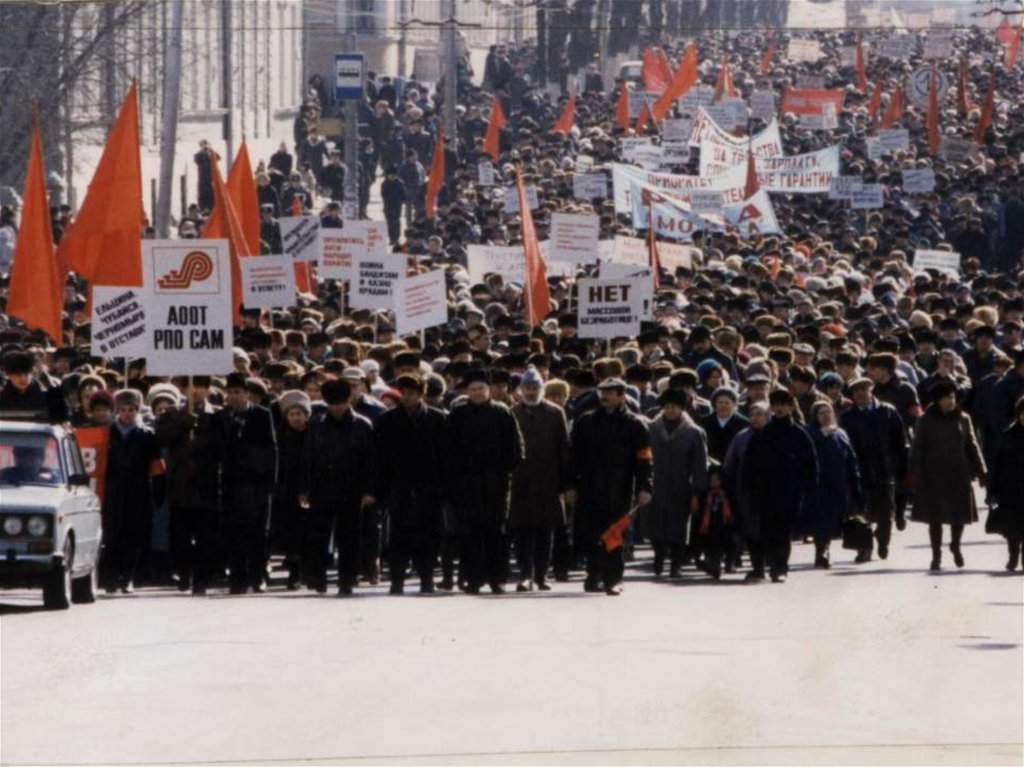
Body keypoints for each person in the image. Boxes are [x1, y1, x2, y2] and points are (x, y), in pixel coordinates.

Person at [570, 378, 653, 595]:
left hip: (620, 488)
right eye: (602, 392)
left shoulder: (635, 424)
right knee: (591, 533)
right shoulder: (585, 422)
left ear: (621, 395)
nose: (604, 396)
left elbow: (644, 458)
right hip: (589, 487)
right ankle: (593, 574)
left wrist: (645, 487)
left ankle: (614, 578)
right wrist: (570, 486)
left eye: (610, 392)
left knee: (615, 533)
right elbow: (573, 458)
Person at [445, 369, 524, 594]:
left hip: (496, 484)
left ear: (488, 389)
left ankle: (497, 578)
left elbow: (516, 449)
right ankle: (472, 578)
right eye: (472, 389)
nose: (477, 393)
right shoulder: (458, 414)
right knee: (469, 533)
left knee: (496, 532)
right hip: (466, 484)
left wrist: (505, 473)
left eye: (481, 388)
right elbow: (448, 450)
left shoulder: (502, 413)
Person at [300, 378, 376, 595]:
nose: (336, 408)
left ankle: (346, 580)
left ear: (348, 400)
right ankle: (318, 578)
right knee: (318, 537)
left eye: (340, 403)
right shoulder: (316, 424)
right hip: (321, 489)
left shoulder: (362, 425)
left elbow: (370, 462)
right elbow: (307, 459)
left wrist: (369, 491)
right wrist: (304, 489)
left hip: (351, 490)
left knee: (349, 538)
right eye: (332, 403)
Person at [375, 374, 448, 594]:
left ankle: (427, 579)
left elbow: (446, 457)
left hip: (429, 486)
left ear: (421, 394)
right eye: (404, 393)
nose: (408, 398)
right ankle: (397, 580)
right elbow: (380, 457)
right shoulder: (388, 420)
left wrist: (442, 487)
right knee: (398, 535)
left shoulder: (437, 419)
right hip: (399, 486)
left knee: (429, 535)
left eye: (413, 393)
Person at [909, 380, 987, 572]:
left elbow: (972, 446)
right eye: (946, 398)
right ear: (937, 400)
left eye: (952, 397)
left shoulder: (963, 418)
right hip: (932, 474)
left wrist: (982, 471)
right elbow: (917, 448)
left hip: (959, 473)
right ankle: (936, 555)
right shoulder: (925, 419)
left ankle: (955, 545)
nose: (951, 401)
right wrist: (914, 472)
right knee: (935, 518)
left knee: (959, 516)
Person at [153, 378, 220, 595]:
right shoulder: (171, 415)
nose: (195, 391)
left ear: (207, 389)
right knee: (179, 536)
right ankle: (184, 571)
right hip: (180, 486)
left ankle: (201, 578)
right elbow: (161, 438)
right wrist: (182, 423)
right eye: (191, 386)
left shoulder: (217, 415)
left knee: (205, 537)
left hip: (206, 485)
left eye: (200, 386)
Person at [743, 389, 817, 583]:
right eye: (776, 404)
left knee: (783, 532)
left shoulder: (799, 434)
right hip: (764, 491)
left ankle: (780, 568)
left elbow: (811, 464)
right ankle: (763, 566)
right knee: (765, 530)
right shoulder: (762, 434)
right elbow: (749, 463)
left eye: (784, 404)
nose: (780, 408)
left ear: (791, 406)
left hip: (790, 492)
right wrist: (749, 487)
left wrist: (807, 488)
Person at [214, 373, 278, 594]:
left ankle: (258, 576)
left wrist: (269, 481)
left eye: (238, 392)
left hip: (256, 483)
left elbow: (271, 449)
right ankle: (238, 579)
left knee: (258, 532)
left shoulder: (261, 415)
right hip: (231, 483)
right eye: (230, 392)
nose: (233, 396)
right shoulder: (220, 417)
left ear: (247, 393)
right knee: (234, 532)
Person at [509, 366, 571, 592]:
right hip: (520, 482)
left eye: (535, 388)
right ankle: (525, 575)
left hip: (548, 482)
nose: (531, 392)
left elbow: (563, 448)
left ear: (541, 389)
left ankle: (542, 575)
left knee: (546, 531)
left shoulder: (555, 413)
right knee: (522, 531)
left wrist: (566, 483)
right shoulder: (512, 412)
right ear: (521, 389)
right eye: (527, 388)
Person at [839, 378, 908, 563]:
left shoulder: (887, 411)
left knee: (886, 512)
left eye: (864, 389)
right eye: (856, 390)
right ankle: (864, 548)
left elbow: (900, 443)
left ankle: (883, 541)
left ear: (871, 389)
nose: (861, 393)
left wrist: (903, 468)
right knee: (861, 511)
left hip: (885, 469)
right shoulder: (847, 417)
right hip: (859, 470)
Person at [641, 387, 708, 578]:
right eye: (667, 407)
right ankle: (658, 560)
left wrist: (698, 491)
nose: (671, 410)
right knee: (656, 526)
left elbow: (699, 464)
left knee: (679, 528)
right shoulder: (651, 429)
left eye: (675, 407)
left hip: (681, 486)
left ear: (682, 408)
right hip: (656, 484)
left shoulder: (694, 432)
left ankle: (676, 565)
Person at [101, 389, 163, 594]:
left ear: (137, 410)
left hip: (138, 492)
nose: (126, 414)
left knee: (133, 538)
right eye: (123, 410)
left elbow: (156, 467)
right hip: (114, 492)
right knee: (112, 538)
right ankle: (110, 578)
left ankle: (127, 578)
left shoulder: (147, 435)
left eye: (131, 410)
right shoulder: (108, 434)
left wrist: (158, 492)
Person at [799, 401, 862, 569]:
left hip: (838, 485)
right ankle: (822, 552)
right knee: (821, 521)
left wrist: (855, 483)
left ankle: (826, 549)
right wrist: (821, 435)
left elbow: (851, 459)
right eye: (822, 413)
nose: (826, 416)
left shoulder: (841, 433)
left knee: (834, 520)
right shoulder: (808, 433)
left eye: (829, 412)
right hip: (817, 486)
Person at [274, 390, 312, 590]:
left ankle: (310, 571)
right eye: (292, 414)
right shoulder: (280, 435)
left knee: (308, 531)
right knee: (291, 533)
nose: (296, 418)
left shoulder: (315, 434)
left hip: (309, 490)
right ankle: (294, 572)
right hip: (286, 490)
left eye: (300, 414)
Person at [989, 397, 1024, 572]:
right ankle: (1013, 555)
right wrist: (992, 491)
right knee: (1012, 528)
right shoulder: (1008, 435)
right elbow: (997, 465)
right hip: (1010, 488)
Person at [0, 350, 68, 423]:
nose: (23, 379)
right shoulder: (2, 397)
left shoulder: (50, 396)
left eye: (26, 374)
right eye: (18, 375)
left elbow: (61, 423)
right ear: (9, 375)